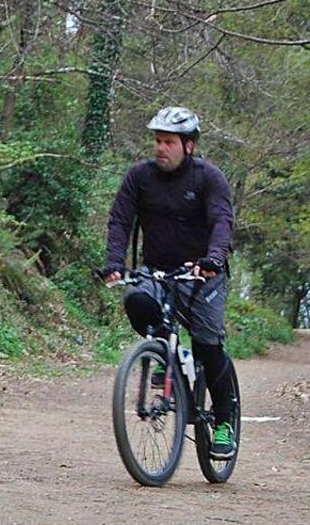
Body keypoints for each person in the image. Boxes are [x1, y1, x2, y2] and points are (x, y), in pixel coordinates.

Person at [100, 106, 239, 459]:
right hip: (157, 271)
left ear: (188, 146)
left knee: (209, 347)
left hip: (201, 272)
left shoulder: (209, 178)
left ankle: (223, 421)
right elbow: (119, 220)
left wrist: (215, 259)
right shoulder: (139, 177)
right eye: (157, 141)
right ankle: (166, 353)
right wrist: (115, 262)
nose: (160, 148)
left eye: (169, 142)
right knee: (137, 301)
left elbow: (222, 220)